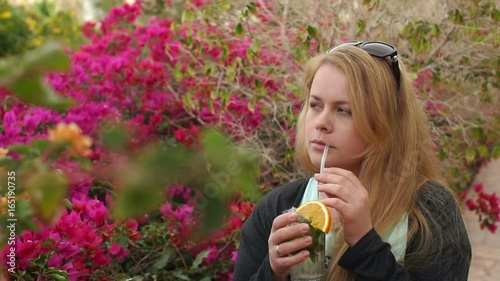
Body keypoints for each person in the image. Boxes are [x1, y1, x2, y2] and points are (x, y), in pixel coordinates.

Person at [233, 41, 471, 281]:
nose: (320, 122)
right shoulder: (279, 207)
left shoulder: (429, 212)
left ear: (383, 123)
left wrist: (364, 242)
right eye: (315, 105)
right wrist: (273, 272)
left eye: (343, 110)